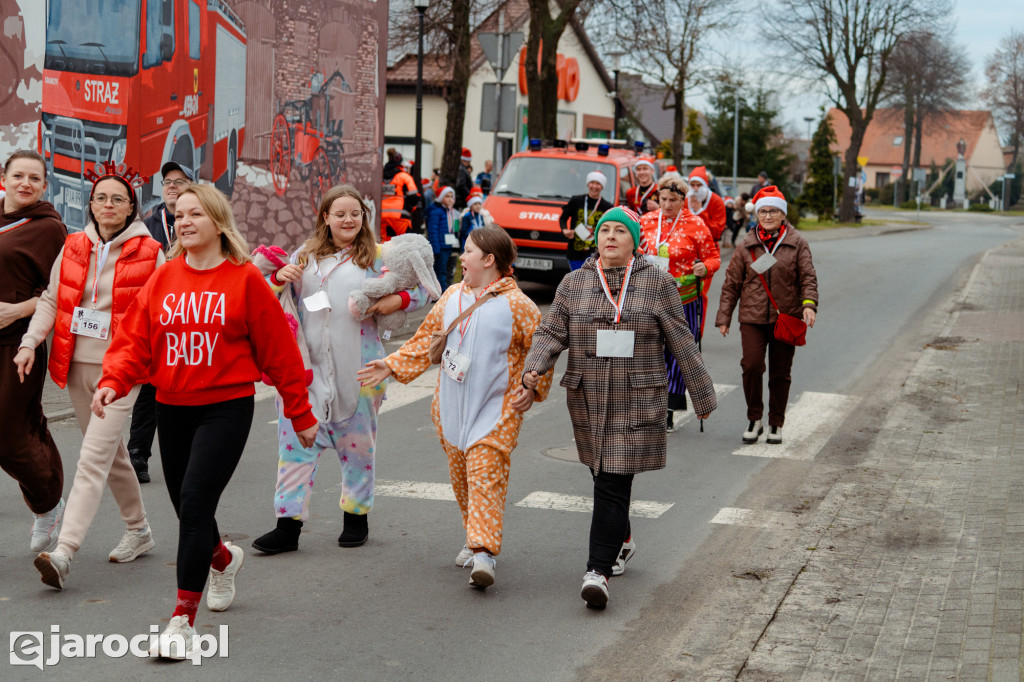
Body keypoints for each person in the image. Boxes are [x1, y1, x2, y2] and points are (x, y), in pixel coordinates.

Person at [90, 184, 317, 660]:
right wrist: (114, 380)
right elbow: (135, 339)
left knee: (194, 503)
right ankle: (222, 558)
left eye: (196, 213)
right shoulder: (164, 277)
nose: (185, 220)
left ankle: (181, 623)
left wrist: (300, 412)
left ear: (218, 222)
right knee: (187, 509)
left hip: (225, 407)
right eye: (179, 213)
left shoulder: (245, 280)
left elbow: (279, 353)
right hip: (172, 406)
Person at [521, 206, 717, 609]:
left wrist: (701, 394)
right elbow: (552, 330)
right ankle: (622, 537)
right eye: (604, 230)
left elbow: (682, 340)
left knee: (613, 479)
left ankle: (597, 571)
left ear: (634, 241)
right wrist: (532, 371)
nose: (610, 236)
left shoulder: (658, 283)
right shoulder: (574, 283)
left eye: (619, 231)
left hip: (637, 396)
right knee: (601, 472)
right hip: (588, 396)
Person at [358, 225, 551, 589]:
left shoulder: (519, 305)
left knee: (485, 474)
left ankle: (483, 553)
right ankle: (472, 535)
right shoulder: (450, 297)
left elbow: (539, 352)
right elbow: (424, 341)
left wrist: (532, 386)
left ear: (489, 260)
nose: (461, 257)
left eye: (468, 252)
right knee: (463, 480)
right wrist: (391, 364)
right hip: (451, 406)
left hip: (496, 409)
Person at [251, 185, 433, 554]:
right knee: (294, 449)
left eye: (355, 213)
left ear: (363, 217)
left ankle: (356, 518)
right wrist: (276, 279)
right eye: (340, 214)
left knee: (358, 450)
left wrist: (394, 300)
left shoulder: (379, 256)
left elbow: (426, 289)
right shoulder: (305, 256)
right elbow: (269, 297)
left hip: (360, 369)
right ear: (325, 218)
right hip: (305, 371)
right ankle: (287, 526)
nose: (348, 220)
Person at [22, 165, 165, 589]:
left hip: (121, 370)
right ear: (91, 203)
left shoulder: (150, 251)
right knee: (111, 452)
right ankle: (139, 529)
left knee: (92, 458)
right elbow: (51, 300)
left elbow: (158, 315)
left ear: (130, 207)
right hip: (74, 366)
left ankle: (64, 551)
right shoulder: (72, 245)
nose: (107, 205)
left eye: (117, 199)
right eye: (101, 198)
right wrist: (31, 343)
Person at [0, 150, 68, 553]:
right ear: (4, 178)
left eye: (34, 178)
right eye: (18, 175)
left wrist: (17, 311)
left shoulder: (49, 229)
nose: (26, 183)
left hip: (19, 344)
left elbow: (60, 292)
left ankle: (48, 503)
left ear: (44, 185)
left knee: (11, 434)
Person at [715, 186, 818, 445]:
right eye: (763, 211)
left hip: (787, 317)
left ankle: (775, 423)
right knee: (751, 366)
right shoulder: (746, 246)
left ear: (783, 215)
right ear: (756, 214)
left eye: (773, 211)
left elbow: (808, 278)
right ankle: (755, 418)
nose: (768, 216)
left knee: (780, 373)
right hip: (752, 317)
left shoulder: (797, 244)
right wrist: (724, 317)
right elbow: (731, 284)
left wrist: (809, 304)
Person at [129, 161, 195, 484]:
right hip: (156, 319)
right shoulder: (147, 225)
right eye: (168, 181)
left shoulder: (202, 224)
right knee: (149, 390)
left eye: (180, 181)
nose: (172, 186)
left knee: (188, 387)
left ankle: (194, 449)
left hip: (192, 320)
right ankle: (137, 455)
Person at [639, 173, 720, 431]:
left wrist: (704, 268)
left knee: (676, 354)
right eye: (663, 199)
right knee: (649, 351)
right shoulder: (646, 221)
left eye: (673, 200)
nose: (667, 205)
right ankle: (648, 403)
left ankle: (669, 408)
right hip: (648, 297)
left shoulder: (696, 225)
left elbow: (713, 258)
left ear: (683, 200)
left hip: (683, 299)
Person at [559, 171, 612, 271]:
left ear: (602, 187)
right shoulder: (576, 201)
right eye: (592, 183)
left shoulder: (607, 206)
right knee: (577, 281)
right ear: (588, 184)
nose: (594, 186)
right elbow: (563, 217)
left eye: (598, 184)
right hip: (575, 252)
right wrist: (564, 230)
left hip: (596, 254)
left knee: (591, 283)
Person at [427, 185, 460, 289]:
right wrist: (435, 249)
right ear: (441, 197)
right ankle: (442, 292)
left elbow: (456, 229)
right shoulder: (435, 212)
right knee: (441, 270)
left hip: (451, 246)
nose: (450, 199)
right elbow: (433, 231)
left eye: (452, 196)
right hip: (441, 247)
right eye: (447, 196)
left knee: (450, 270)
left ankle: (449, 290)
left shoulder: (453, 213)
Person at [686, 166, 727, 244]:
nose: (695, 189)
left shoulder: (717, 201)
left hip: (709, 246)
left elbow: (716, 233)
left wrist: (700, 211)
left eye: (699, 185)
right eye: (692, 185)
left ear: (705, 185)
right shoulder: (685, 200)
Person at [380, 159, 419, 242]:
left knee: (385, 244)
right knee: (404, 244)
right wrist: (411, 208)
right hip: (400, 216)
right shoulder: (404, 176)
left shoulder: (379, 177)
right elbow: (414, 197)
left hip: (382, 216)